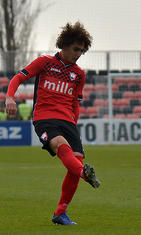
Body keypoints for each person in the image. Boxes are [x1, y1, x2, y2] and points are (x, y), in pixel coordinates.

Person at [5, 21, 100, 225]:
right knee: (60, 146)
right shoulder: (45, 62)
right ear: (64, 45)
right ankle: (85, 174)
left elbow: (75, 102)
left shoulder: (79, 74)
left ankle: (60, 213)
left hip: (68, 121)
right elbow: (17, 79)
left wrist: (74, 123)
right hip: (44, 117)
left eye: (82, 51)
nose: (78, 54)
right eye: (76, 49)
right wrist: (10, 97)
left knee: (75, 164)